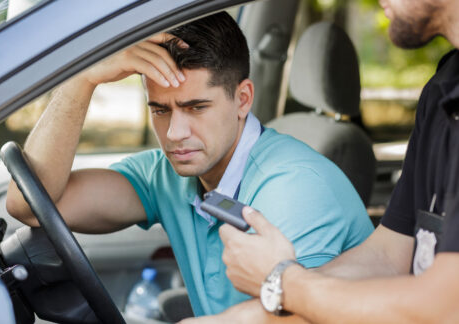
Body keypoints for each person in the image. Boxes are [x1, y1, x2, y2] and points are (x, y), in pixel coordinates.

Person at [5, 12, 373, 316]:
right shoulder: (167, 174)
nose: (175, 134)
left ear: (242, 99)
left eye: (196, 107)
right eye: (160, 110)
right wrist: (81, 80)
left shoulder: (297, 187)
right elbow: (31, 206)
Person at [180, 0, 459, 322]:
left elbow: (446, 309)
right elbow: (389, 254)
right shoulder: (444, 88)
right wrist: (237, 318)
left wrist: (282, 281)